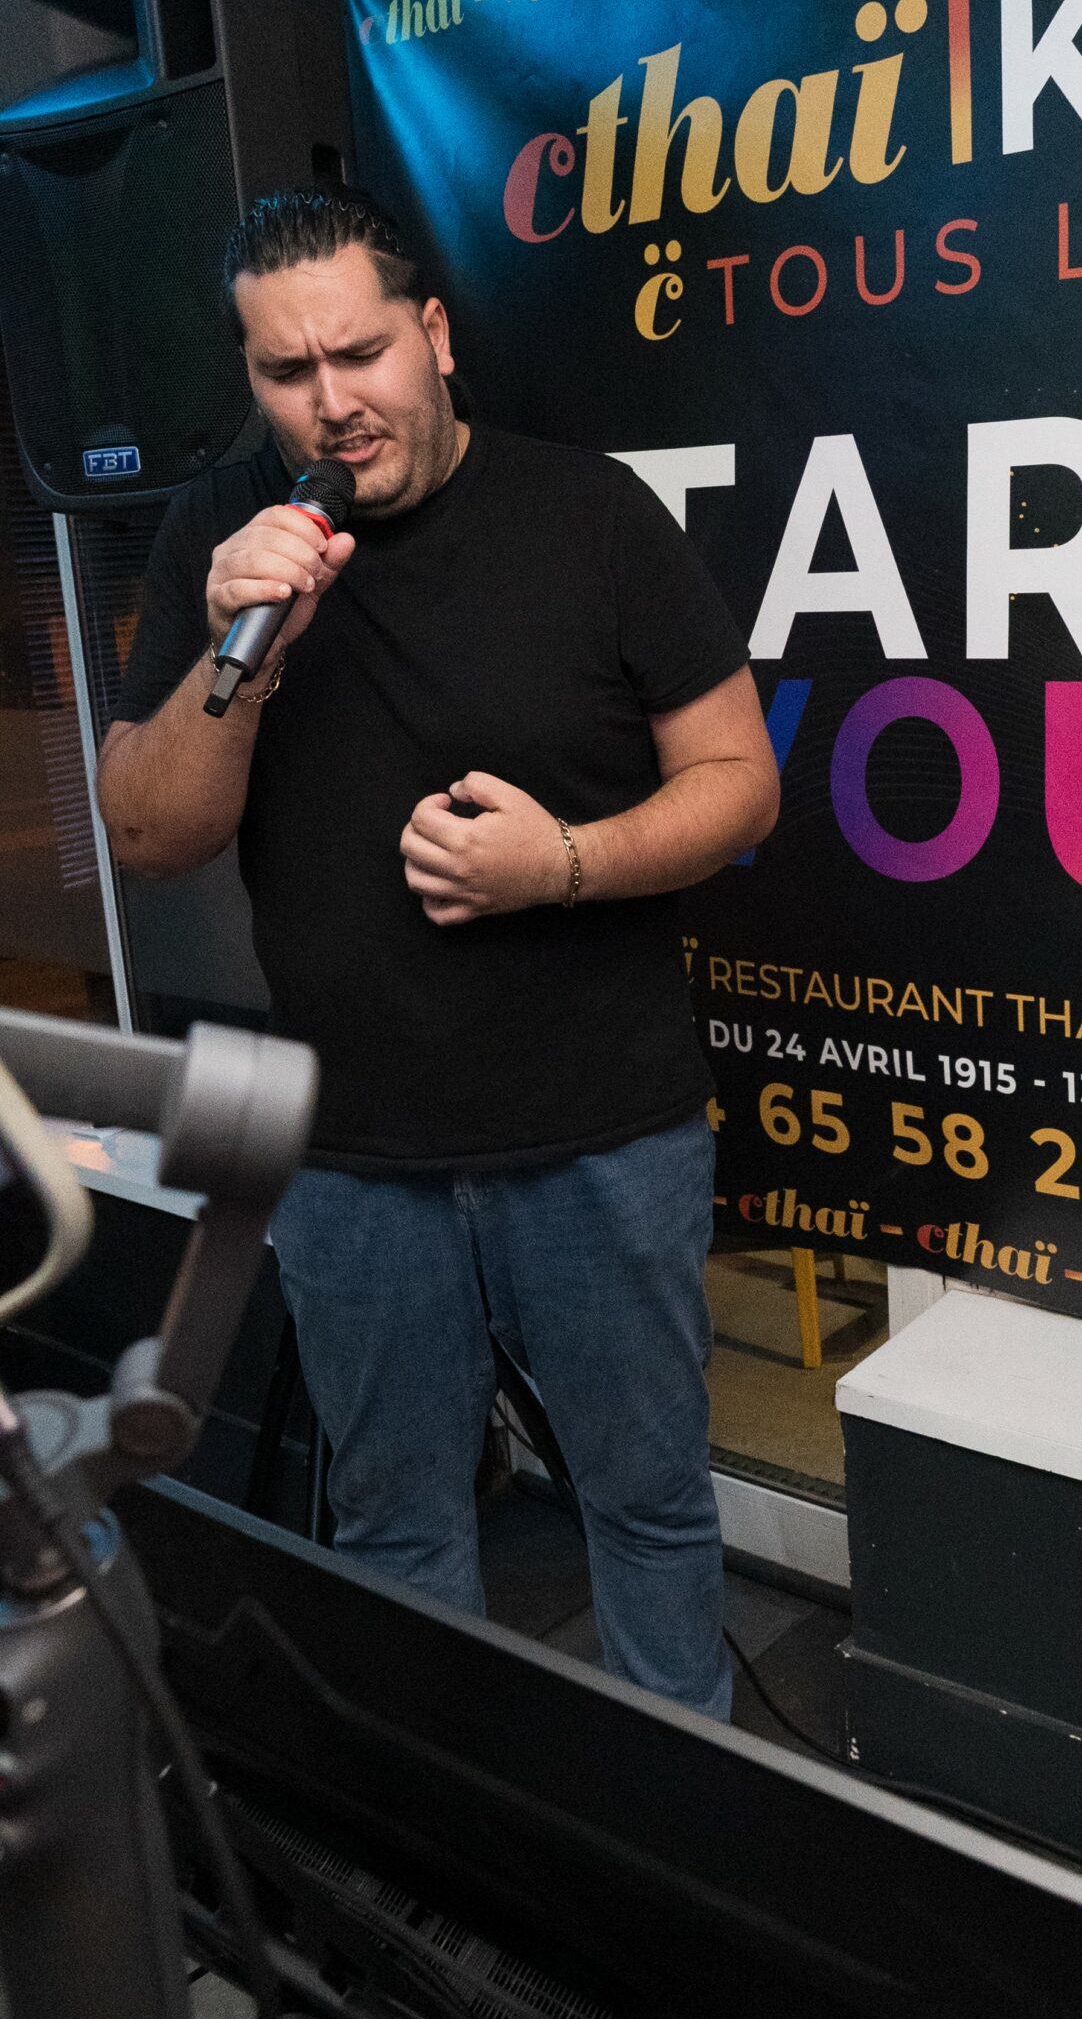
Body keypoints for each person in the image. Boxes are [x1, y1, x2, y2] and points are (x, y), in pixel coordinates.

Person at [97, 189, 778, 1722]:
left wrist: (564, 864)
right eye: (286, 372)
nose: (331, 403)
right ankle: (448, 1832)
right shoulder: (224, 538)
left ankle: (677, 1817)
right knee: (398, 1527)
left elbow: (740, 785)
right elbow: (146, 833)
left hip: (602, 1129)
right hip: (353, 1152)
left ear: (435, 335)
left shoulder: (590, 516)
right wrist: (244, 651)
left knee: (647, 1506)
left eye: (360, 354)